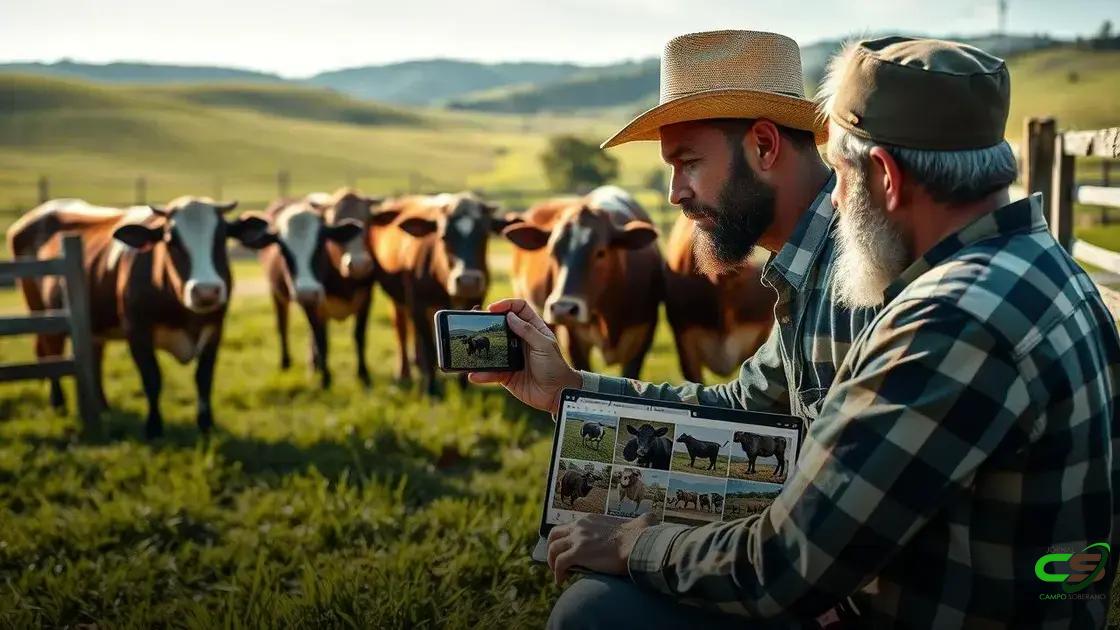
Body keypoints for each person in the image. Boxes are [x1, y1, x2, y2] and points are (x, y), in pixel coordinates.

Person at [481, 36, 1120, 629]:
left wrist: (633, 543)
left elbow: (786, 564)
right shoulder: (1028, 268)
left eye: (841, 172)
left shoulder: (950, 320)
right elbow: (742, 411)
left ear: (887, 180)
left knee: (594, 612)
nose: (834, 201)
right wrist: (571, 391)